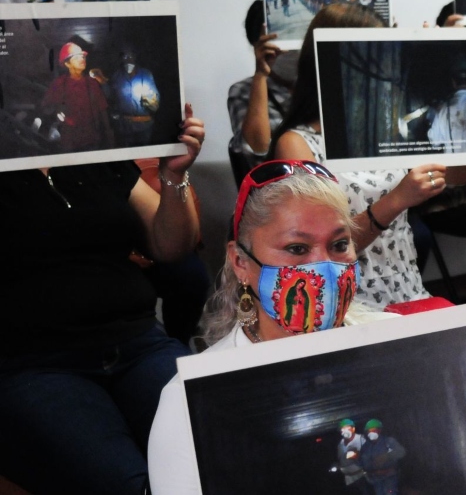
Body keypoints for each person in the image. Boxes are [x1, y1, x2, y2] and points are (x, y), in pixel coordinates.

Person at [148, 159, 397, 494]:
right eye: (297, 248)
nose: (322, 267)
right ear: (241, 262)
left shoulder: (398, 341)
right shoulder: (190, 401)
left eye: (339, 245)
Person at [0, 105, 204, 494]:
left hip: (138, 344)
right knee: (128, 484)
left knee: (214, 451)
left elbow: (171, 246)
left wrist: (173, 174)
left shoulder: (90, 157)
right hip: (36, 363)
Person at [270, 3, 443, 309]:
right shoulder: (297, 144)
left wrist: (436, 62)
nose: (386, 66)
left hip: (408, 290)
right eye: (373, 53)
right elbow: (318, 250)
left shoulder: (388, 127)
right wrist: (396, 201)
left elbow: (457, 175)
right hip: (346, 306)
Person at [227, 0, 296, 185]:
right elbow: (258, 149)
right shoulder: (243, 91)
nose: (287, 50)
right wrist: (260, 74)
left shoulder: (318, 87)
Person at [41, 42, 116, 152]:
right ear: (67, 64)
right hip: (69, 141)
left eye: (83, 56)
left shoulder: (92, 83)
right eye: (77, 57)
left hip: (92, 139)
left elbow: (102, 108)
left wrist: (108, 131)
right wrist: (56, 112)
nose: (82, 59)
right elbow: (46, 107)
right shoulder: (59, 83)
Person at [108, 50, 160, 146]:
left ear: (135, 57)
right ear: (121, 59)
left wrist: (151, 103)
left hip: (144, 126)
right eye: (125, 57)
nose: (128, 60)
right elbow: (111, 98)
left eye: (130, 56)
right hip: (124, 127)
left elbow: (155, 103)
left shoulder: (145, 74)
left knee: (144, 155)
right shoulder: (117, 76)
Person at [358, 419, 406, 495]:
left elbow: (402, 452)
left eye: (374, 430)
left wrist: (387, 456)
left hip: (389, 478)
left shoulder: (389, 442)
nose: (371, 433)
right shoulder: (365, 447)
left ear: (379, 430)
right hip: (376, 480)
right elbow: (361, 463)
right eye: (369, 431)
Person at [335, 418, 370, 494]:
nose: (345, 431)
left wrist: (358, 455)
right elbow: (341, 460)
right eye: (343, 429)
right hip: (349, 479)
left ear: (353, 429)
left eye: (347, 428)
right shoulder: (340, 445)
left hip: (361, 476)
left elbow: (369, 454)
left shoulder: (361, 439)